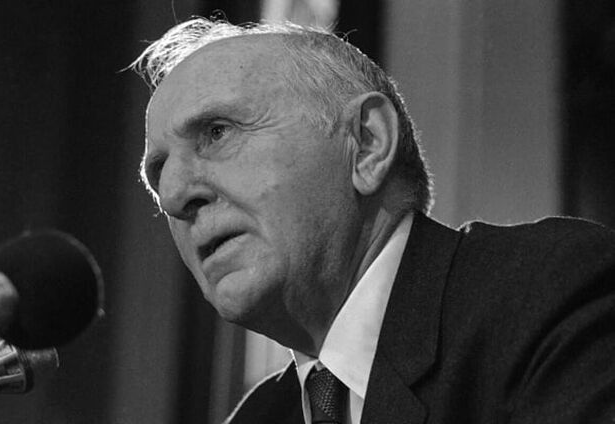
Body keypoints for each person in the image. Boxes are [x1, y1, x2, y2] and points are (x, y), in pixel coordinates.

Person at [132, 17, 615, 424]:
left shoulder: (544, 295)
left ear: (366, 144)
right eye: (158, 172)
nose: (173, 196)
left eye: (217, 132)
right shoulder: (260, 416)